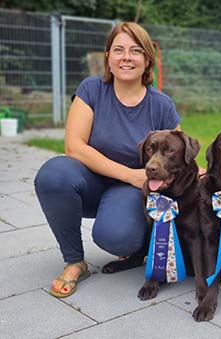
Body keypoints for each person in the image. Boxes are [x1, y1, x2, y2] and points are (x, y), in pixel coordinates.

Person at [34, 22, 181, 298]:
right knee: (54, 175)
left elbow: (180, 156)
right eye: (119, 50)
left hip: (130, 191)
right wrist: (130, 174)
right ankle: (75, 261)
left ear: (147, 60)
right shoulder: (91, 89)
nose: (127, 57)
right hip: (91, 180)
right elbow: (74, 146)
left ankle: (141, 244)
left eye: (136, 51)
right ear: (108, 57)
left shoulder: (161, 104)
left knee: (116, 237)